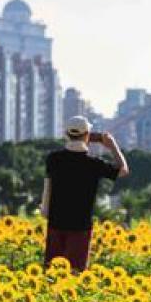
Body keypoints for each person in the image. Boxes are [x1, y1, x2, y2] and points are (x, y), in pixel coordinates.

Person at [41, 116, 129, 271]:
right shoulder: (94, 164)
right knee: (75, 273)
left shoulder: (53, 159)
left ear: (66, 134)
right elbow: (123, 170)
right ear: (87, 135)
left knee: (51, 272)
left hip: (55, 223)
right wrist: (112, 145)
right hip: (80, 227)